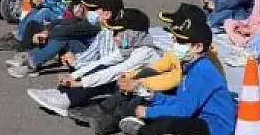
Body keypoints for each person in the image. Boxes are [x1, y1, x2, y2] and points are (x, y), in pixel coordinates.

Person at [119, 16, 238, 135]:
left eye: (181, 41)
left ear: (198, 47)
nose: (175, 43)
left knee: (163, 125)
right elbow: (182, 101)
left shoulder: (203, 71)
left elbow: (184, 110)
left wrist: (148, 112)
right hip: (199, 117)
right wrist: (153, 96)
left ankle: (143, 131)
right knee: (155, 108)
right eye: (176, 39)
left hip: (215, 128)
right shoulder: (191, 66)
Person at [26, 8, 162, 116]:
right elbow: (103, 61)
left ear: (133, 34)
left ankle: (67, 99)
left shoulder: (145, 52)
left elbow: (114, 71)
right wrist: (72, 77)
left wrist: (79, 83)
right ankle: (61, 93)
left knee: (106, 74)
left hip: (147, 95)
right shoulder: (132, 47)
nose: (114, 37)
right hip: (130, 85)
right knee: (101, 65)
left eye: (117, 33)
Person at [5, 0, 113, 78]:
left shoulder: (94, 23)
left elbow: (68, 30)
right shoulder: (87, 18)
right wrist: (46, 30)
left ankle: (32, 63)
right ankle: (30, 55)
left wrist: (47, 34)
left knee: (63, 38)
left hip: (91, 56)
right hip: (85, 49)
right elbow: (61, 22)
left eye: (78, 4)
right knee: (50, 28)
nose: (75, 7)